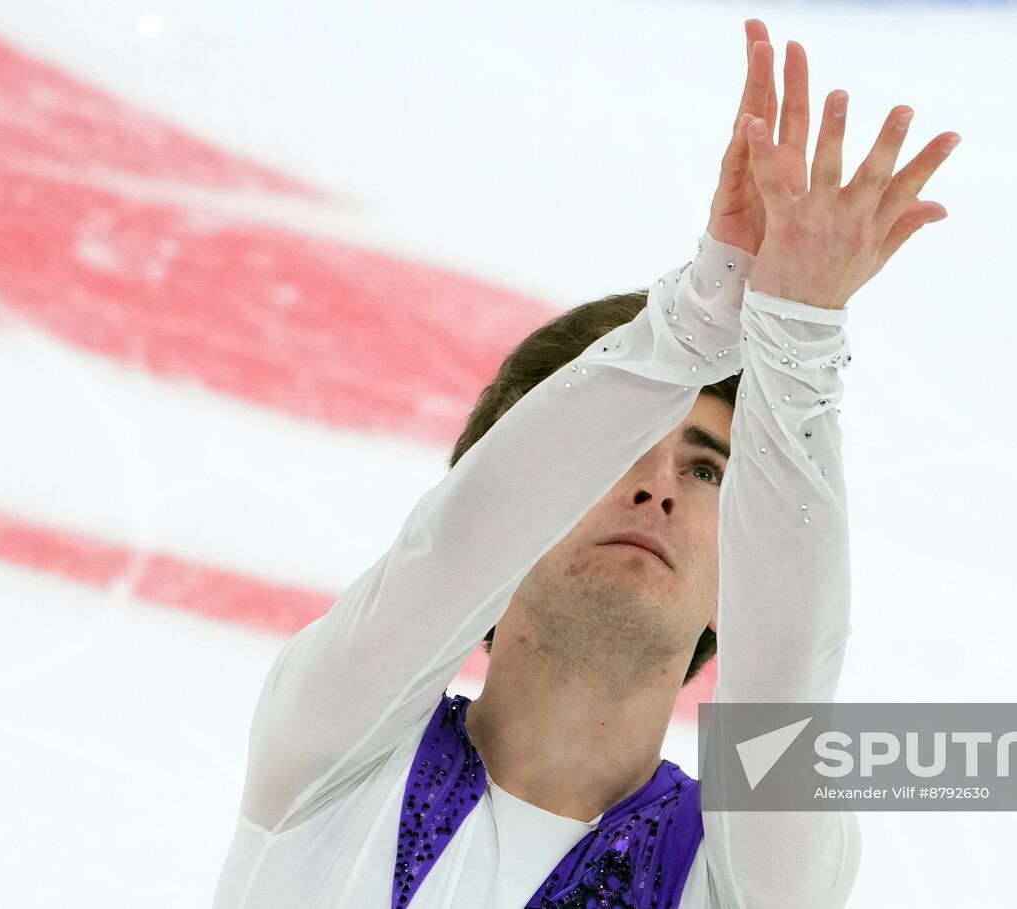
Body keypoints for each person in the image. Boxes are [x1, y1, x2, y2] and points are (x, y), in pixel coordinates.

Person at [213, 18, 958, 909]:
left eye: (709, 468)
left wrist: (799, 339)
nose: (656, 487)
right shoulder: (333, 753)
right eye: (618, 453)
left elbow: (786, 690)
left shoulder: (740, 881)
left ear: (739, 578)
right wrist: (700, 314)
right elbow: (454, 543)